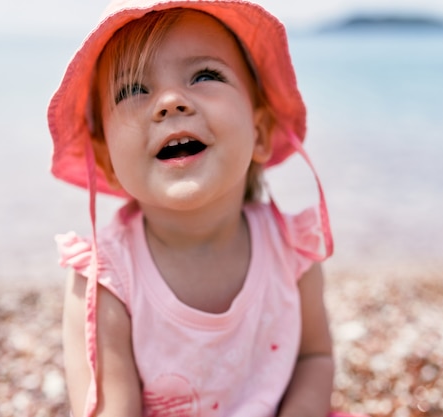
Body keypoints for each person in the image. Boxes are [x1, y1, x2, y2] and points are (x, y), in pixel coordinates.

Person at [48, 0, 344, 416]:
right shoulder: (106, 281)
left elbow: (313, 358)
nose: (170, 102)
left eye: (205, 75)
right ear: (107, 161)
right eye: (133, 89)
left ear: (259, 132)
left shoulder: (292, 251)